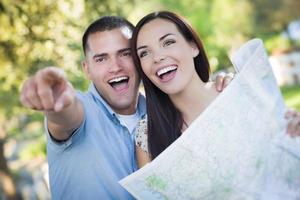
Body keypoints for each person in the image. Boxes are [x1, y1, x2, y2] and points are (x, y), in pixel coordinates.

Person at [19, 16, 233, 199]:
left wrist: (222, 89)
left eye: (125, 54)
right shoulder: (81, 108)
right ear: (87, 69)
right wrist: (59, 104)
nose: (115, 67)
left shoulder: (162, 118)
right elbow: (66, 116)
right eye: (101, 58)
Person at [130, 11, 300, 167]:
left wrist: (294, 130)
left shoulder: (240, 92)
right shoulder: (146, 134)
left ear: (193, 46)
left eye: (168, 42)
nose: (157, 57)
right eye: (144, 53)